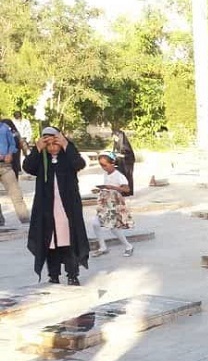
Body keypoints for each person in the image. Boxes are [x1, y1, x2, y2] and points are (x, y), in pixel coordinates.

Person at [24, 127, 89, 285]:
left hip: (67, 208)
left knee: (68, 240)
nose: (52, 148)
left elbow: (79, 163)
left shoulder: (68, 155)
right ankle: (53, 275)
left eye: (55, 144)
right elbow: (28, 167)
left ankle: (72, 274)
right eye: (49, 145)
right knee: (50, 241)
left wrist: (66, 145)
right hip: (46, 208)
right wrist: (37, 149)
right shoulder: (41, 158)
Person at [89, 152, 134, 257]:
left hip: (114, 203)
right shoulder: (106, 174)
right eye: (101, 165)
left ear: (112, 163)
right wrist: (101, 189)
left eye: (105, 165)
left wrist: (112, 187)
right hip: (105, 202)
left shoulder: (119, 175)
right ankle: (103, 247)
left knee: (114, 227)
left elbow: (127, 189)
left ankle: (128, 246)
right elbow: (107, 187)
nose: (103, 167)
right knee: (96, 223)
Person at [1, 118, 31, 227]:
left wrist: (10, 153)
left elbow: (13, 144)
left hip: (6, 166)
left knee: (16, 194)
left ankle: (25, 219)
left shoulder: (5, 128)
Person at [112, 129, 136, 197]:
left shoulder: (125, 144)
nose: (114, 138)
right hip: (121, 163)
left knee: (126, 177)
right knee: (120, 177)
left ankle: (127, 191)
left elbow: (128, 155)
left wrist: (119, 155)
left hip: (127, 163)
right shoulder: (117, 144)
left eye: (115, 136)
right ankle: (122, 191)